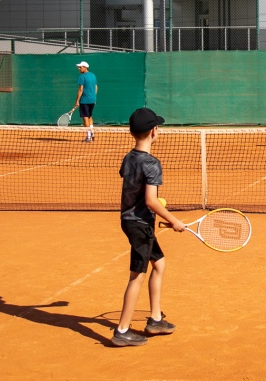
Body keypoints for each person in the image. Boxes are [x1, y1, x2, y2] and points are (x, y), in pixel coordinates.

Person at [113, 107, 186, 347]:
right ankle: (122, 330)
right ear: (154, 132)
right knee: (137, 275)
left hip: (133, 220)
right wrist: (173, 220)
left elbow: (133, 186)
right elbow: (151, 200)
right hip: (139, 225)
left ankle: (155, 319)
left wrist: (156, 216)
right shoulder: (152, 164)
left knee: (160, 264)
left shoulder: (128, 157)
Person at [72, 61, 98, 142]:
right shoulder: (93, 75)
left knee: (85, 118)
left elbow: (80, 89)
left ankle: (89, 137)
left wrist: (77, 101)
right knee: (89, 116)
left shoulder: (82, 77)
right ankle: (92, 132)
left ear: (85, 67)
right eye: (79, 67)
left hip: (85, 100)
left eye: (80, 67)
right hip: (92, 100)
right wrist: (94, 97)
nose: (79, 69)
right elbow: (96, 87)